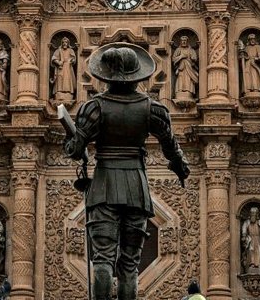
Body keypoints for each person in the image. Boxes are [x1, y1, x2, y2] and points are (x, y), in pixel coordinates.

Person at [65, 43, 190, 300]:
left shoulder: (94, 107)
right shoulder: (153, 109)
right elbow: (171, 147)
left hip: (103, 187)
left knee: (102, 260)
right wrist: (180, 168)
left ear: (106, 75)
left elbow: (75, 150)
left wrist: (71, 138)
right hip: (136, 186)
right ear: (136, 74)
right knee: (129, 265)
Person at [241, 206, 260, 274]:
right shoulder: (247, 222)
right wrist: (244, 236)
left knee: (258, 251)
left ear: (257, 215)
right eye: (252, 214)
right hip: (250, 239)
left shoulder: (259, 222)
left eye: (254, 214)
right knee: (251, 250)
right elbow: (244, 229)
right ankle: (251, 264)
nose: (253, 215)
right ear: (250, 214)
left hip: (258, 239)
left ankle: (258, 265)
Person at [172, 35, 198, 102]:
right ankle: (180, 91)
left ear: (187, 42)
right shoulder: (178, 50)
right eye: (182, 41)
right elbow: (173, 59)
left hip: (189, 69)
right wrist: (181, 56)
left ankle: (188, 91)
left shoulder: (191, 50)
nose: (183, 42)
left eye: (185, 41)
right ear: (180, 42)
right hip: (181, 69)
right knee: (181, 79)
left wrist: (192, 58)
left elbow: (195, 58)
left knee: (188, 80)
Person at [51, 36, 77, 101]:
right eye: (63, 42)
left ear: (68, 43)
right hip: (60, 68)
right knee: (59, 79)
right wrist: (58, 62)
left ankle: (68, 92)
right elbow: (54, 58)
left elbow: (74, 58)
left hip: (68, 67)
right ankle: (59, 92)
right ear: (61, 43)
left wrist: (71, 60)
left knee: (67, 79)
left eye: (66, 42)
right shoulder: (58, 50)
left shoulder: (70, 50)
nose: (64, 43)